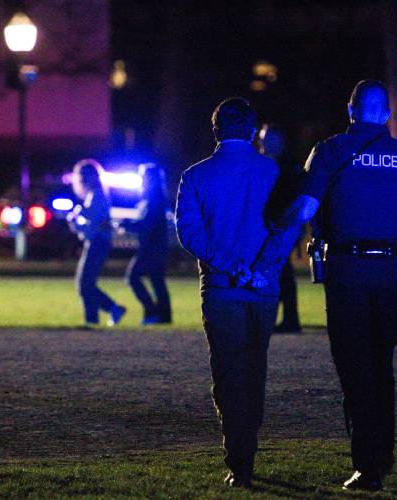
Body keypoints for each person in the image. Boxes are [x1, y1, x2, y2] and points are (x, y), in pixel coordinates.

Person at [251, 80, 397, 491]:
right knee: (381, 364)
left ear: (351, 109)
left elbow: (303, 210)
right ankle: (384, 453)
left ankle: (368, 466)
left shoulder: (329, 151)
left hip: (348, 273)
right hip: (393, 272)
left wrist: (269, 261)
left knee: (355, 369)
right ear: (387, 114)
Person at [175, 97, 280, 488]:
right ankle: (248, 444)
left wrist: (230, 265)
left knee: (229, 372)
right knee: (256, 367)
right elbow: (287, 229)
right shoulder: (271, 170)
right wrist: (260, 269)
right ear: (253, 131)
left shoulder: (196, 175)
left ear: (216, 130)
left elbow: (190, 234)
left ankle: (240, 460)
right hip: (264, 288)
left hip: (221, 288)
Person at [69, 159, 126, 327]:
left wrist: (77, 214)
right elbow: (89, 227)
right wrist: (76, 224)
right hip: (96, 242)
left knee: (85, 283)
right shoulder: (94, 195)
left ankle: (94, 318)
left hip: (98, 243)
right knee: (85, 283)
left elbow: (93, 223)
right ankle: (110, 310)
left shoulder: (97, 196)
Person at [258, 124, 303, 333]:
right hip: (278, 226)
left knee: (281, 272)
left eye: (266, 139)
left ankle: (288, 319)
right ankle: (287, 318)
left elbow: (288, 200)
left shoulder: (285, 168)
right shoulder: (276, 165)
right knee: (281, 272)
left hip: (282, 227)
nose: (262, 143)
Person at [124, 162, 172, 324]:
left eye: (143, 177)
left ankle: (151, 312)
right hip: (156, 247)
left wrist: (128, 224)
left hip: (152, 248)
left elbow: (147, 225)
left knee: (133, 277)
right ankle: (163, 317)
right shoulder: (153, 199)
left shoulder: (153, 201)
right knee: (157, 280)